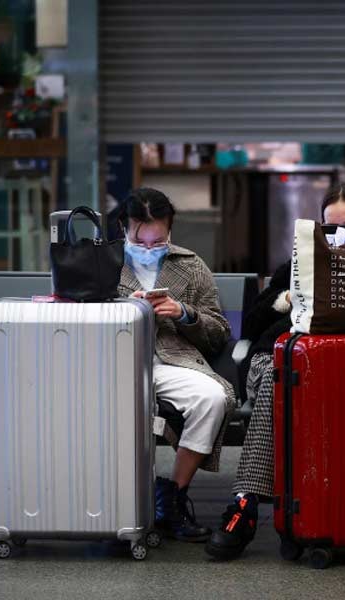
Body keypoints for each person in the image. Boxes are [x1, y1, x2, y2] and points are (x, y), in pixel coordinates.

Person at [205, 181, 345, 559]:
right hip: (277, 360)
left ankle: (257, 505)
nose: (337, 236)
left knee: (291, 380)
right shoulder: (298, 263)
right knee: (282, 377)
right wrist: (290, 297)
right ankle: (246, 503)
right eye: (328, 228)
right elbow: (252, 324)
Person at [117, 187, 236, 543]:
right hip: (114, 363)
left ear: (170, 230)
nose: (150, 250)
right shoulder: (102, 263)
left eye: (159, 242)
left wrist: (185, 314)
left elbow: (219, 333)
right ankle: (115, 504)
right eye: (142, 242)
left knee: (213, 398)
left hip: (171, 362)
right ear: (125, 226)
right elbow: (71, 313)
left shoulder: (190, 266)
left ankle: (171, 497)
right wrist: (123, 310)